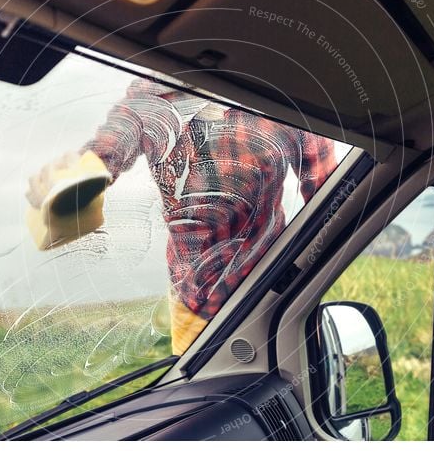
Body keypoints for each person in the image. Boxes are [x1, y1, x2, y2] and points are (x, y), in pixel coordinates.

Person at [27, 77, 339, 355]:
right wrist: (72, 181)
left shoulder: (286, 101)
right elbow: (112, 142)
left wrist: (302, 277)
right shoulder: (153, 94)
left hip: (267, 294)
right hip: (187, 300)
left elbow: (330, 200)